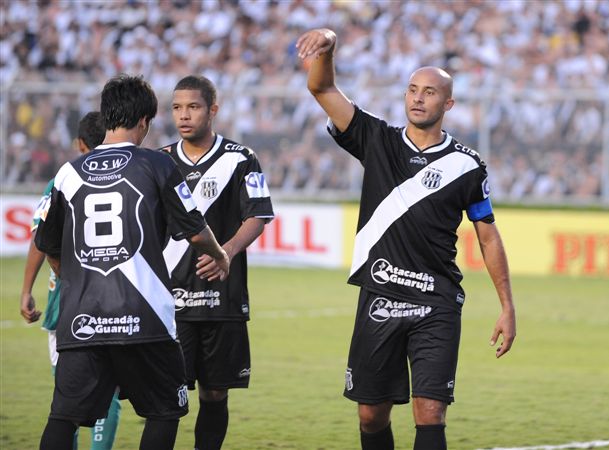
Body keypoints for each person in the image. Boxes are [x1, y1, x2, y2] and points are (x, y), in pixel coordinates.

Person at [296, 29, 516, 450]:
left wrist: (507, 306)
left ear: (447, 104)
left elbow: (488, 238)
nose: (418, 98)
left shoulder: (468, 166)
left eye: (429, 92)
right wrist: (328, 43)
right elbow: (321, 88)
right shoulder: (377, 140)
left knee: (430, 413)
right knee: (370, 415)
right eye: (412, 90)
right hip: (380, 297)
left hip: (437, 303)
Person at [34, 74, 230, 450]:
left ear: (107, 115)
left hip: (83, 320)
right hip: (145, 317)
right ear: (144, 121)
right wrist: (220, 255)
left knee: (63, 417)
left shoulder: (68, 173)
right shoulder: (157, 165)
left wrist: (75, 281)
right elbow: (194, 231)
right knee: (164, 412)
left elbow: (46, 243)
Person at [161, 75, 274, 450]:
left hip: (222, 298)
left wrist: (226, 251)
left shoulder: (241, 158)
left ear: (213, 110)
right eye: (177, 108)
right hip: (169, 300)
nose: (183, 115)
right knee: (168, 396)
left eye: (193, 107)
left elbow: (258, 215)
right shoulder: (160, 161)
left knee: (214, 393)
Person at [21, 111, 122, 450]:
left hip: (65, 302)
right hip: (115, 299)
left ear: (80, 144)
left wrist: (26, 290)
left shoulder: (63, 179)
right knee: (109, 391)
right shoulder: (128, 177)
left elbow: (41, 237)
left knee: (66, 395)